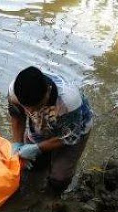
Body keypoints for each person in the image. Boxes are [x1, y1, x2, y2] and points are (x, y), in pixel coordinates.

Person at [8, 66, 93, 199]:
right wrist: (17, 144)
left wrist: (37, 148)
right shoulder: (15, 91)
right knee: (30, 167)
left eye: (36, 107)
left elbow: (70, 137)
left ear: (48, 91)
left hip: (75, 128)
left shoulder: (68, 101)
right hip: (40, 125)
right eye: (27, 107)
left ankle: (51, 199)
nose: (31, 111)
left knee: (59, 177)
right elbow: (17, 117)